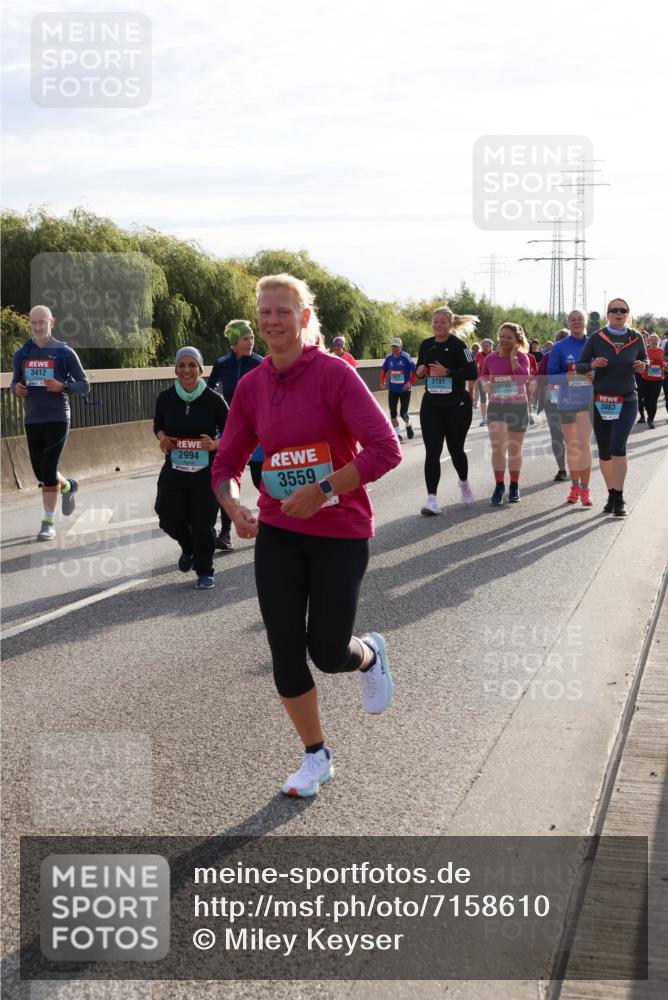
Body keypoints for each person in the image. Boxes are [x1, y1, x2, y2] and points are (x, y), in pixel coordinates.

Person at [211, 273, 401, 797]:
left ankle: (369, 654)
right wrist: (233, 503)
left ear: (305, 317)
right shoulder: (252, 386)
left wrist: (323, 489)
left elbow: (385, 449)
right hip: (279, 530)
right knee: (285, 648)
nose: (273, 321)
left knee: (328, 651)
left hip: (340, 529)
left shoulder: (335, 375)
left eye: (283, 311)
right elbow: (226, 461)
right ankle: (316, 755)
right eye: (265, 312)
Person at [11, 305, 89, 541]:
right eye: (34, 323)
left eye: (42, 322)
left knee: (48, 469)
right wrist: (17, 389)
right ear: (30, 323)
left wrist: (63, 386)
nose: (37, 327)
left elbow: (84, 385)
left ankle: (47, 523)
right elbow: (14, 382)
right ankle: (67, 486)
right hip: (33, 418)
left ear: (51, 322)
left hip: (57, 417)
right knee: (41, 472)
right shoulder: (22, 354)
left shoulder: (65, 352)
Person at [154, 347, 228, 589]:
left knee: (202, 523)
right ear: (176, 369)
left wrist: (214, 444)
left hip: (205, 473)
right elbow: (158, 426)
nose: (187, 370)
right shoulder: (165, 398)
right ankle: (188, 547)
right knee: (168, 518)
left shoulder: (213, 400)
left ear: (200, 369)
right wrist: (163, 438)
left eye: (192, 365)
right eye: (182, 365)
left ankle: (205, 571)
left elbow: (232, 432)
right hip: (175, 471)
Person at [575, 298, 648, 517]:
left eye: (622, 310)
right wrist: (591, 365)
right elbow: (579, 366)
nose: (618, 313)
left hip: (627, 399)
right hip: (601, 401)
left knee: (618, 446)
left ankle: (620, 496)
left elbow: (645, 361)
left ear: (627, 314)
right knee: (605, 451)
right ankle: (611, 494)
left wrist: (642, 365)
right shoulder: (597, 338)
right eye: (614, 310)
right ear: (608, 314)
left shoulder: (636, 338)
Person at [415, 308, 479, 514]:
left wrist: (448, 372)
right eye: (435, 321)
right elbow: (420, 369)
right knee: (432, 452)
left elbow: (473, 372)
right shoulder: (426, 344)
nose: (438, 325)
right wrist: (420, 371)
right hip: (432, 406)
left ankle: (464, 484)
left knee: (455, 450)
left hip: (456, 406)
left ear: (450, 325)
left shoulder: (460, 346)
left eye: (442, 322)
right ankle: (431, 499)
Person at [207, 319, 264, 550]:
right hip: (231, 426)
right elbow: (209, 393)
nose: (250, 342)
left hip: (258, 428)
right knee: (227, 477)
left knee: (260, 479)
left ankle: (277, 519)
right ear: (234, 342)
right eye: (245, 338)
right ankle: (225, 533)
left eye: (252, 338)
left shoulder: (260, 363)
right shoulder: (222, 364)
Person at [547, 310, 594, 506]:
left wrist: (595, 375)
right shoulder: (560, 347)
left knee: (583, 444)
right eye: (572, 320)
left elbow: (604, 370)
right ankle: (575, 486)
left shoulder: (594, 344)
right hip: (566, 401)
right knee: (573, 446)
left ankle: (585, 489)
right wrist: (567, 377)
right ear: (568, 323)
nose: (576, 322)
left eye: (579, 319)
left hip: (587, 401)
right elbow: (551, 376)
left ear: (585, 322)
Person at [480, 323, 531, 504]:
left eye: (509, 337)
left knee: (514, 449)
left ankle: (514, 485)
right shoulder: (490, 358)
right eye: (502, 336)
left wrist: (513, 358)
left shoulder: (522, 358)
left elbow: (523, 379)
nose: (504, 340)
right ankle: (499, 485)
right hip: (497, 406)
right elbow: (483, 376)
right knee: (498, 447)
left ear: (517, 340)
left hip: (517, 407)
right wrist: (485, 385)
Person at [536, 336, 568, 482]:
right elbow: (541, 377)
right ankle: (566, 468)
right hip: (558, 399)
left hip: (565, 399)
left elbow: (540, 379)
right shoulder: (548, 356)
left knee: (559, 435)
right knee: (563, 435)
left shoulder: (549, 355)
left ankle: (563, 470)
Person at [380, 337, 416, 441]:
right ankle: (397, 434)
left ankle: (408, 425)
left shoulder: (406, 357)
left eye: (396, 346)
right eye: (393, 346)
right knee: (393, 413)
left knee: (403, 413)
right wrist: (382, 381)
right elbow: (384, 370)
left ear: (400, 347)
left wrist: (409, 383)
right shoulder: (388, 357)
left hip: (405, 390)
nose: (394, 348)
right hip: (393, 390)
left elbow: (415, 372)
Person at [639, 333, 666, 429]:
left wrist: (664, 364)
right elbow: (641, 362)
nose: (654, 342)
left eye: (656, 340)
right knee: (646, 400)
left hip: (658, 379)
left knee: (653, 400)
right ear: (649, 342)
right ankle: (648, 414)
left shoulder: (662, 351)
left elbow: (665, 363)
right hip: (646, 379)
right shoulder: (645, 351)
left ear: (658, 341)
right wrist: (646, 362)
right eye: (652, 340)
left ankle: (651, 419)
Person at [475, 338, 494, 426]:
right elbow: (475, 365)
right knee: (483, 398)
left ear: (490, 346)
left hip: (492, 379)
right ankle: (484, 418)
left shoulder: (494, 355)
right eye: (483, 346)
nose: (485, 347)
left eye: (487, 346)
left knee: (492, 398)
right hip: (481, 378)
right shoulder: (479, 354)